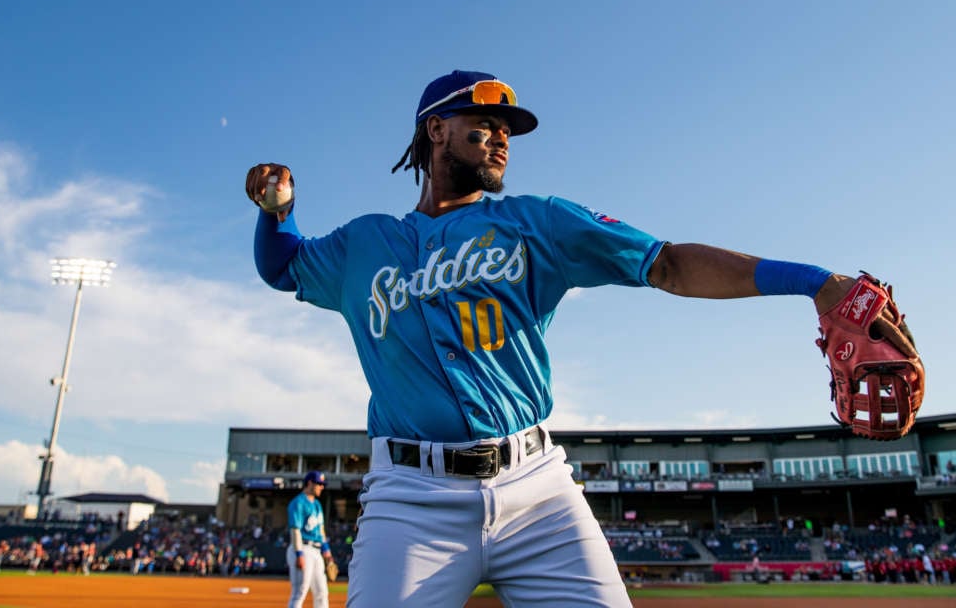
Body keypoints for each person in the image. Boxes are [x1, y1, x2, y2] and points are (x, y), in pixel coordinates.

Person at [245, 70, 900, 608]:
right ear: (436, 129)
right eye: (485, 123)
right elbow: (282, 267)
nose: (502, 137)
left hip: (536, 490)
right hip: (411, 501)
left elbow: (668, 263)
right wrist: (278, 213)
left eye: (509, 130)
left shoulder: (542, 224)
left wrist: (815, 282)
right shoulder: (363, 245)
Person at [285, 471, 333, 608]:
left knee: (322, 592)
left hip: (316, 551)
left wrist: (327, 550)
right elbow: (295, 530)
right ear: (310, 483)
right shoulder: (298, 502)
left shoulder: (317, 504)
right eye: (319, 484)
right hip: (302, 548)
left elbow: (320, 530)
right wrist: (298, 554)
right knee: (299, 592)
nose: (322, 487)